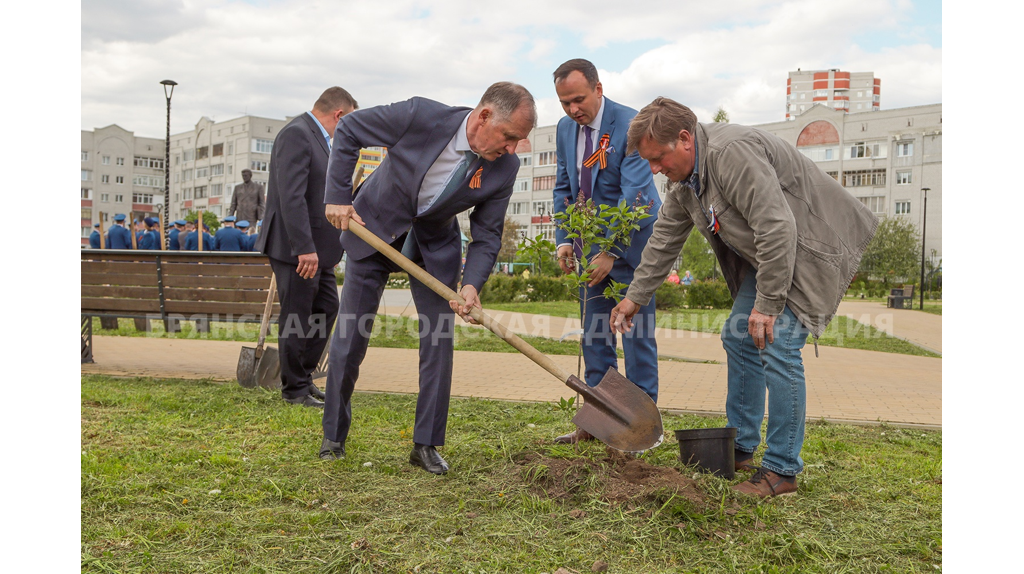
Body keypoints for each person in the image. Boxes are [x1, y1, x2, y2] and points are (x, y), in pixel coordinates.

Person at [609, 97, 878, 497]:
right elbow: (664, 239)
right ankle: (741, 446)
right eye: (648, 161)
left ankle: (782, 470)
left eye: (659, 158)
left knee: (779, 342)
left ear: (685, 139)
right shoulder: (686, 181)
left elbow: (776, 228)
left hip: (812, 246)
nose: (654, 169)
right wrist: (635, 297)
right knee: (739, 336)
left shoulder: (730, 155)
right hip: (772, 254)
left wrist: (767, 306)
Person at [321, 82, 537, 474]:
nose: (511, 148)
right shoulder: (421, 116)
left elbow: (487, 234)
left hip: (432, 247)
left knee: (438, 341)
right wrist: (337, 197)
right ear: (484, 115)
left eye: (518, 141)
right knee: (351, 336)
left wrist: (470, 284)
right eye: (509, 137)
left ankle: (426, 444)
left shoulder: (505, 167)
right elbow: (349, 129)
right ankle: (333, 436)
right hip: (373, 226)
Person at [549, 59, 662, 444]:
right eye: (564, 103)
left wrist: (611, 250)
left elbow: (637, 197)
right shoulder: (566, 129)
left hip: (631, 251)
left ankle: (642, 429)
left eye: (578, 99)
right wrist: (566, 238)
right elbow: (565, 186)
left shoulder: (631, 125)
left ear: (599, 88)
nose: (572, 110)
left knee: (636, 335)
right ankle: (597, 424)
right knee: (595, 335)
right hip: (589, 252)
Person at [254, 86, 359, 410]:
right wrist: (304, 248)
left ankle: (303, 377)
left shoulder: (319, 140)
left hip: (319, 250)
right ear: (338, 115)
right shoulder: (298, 134)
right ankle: (293, 389)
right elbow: (292, 196)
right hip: (296, 248)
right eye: (350, 122)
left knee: (327, 308)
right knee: (297, 317)